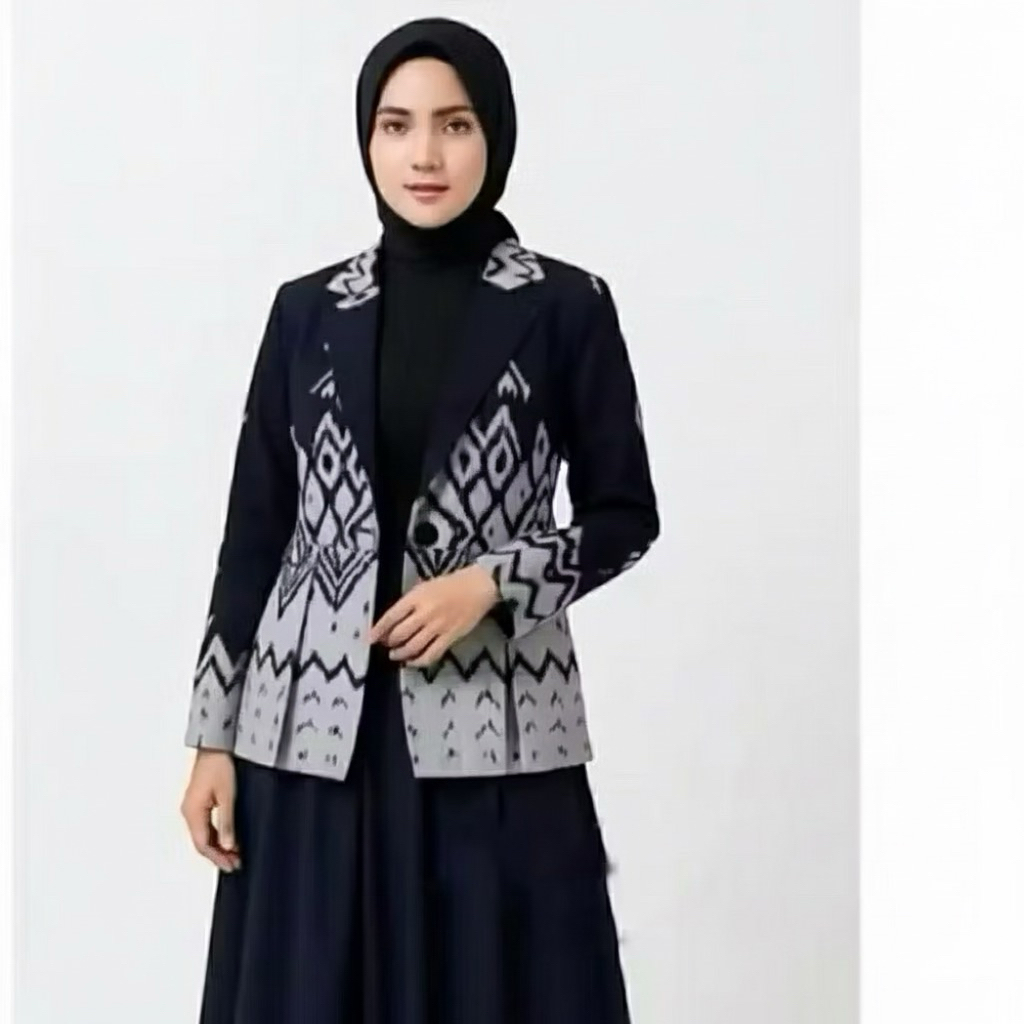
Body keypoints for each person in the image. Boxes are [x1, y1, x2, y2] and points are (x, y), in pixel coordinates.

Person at [179, 15, 660, 1024]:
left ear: (496, 135)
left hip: (497, 738)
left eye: (454, 124)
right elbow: (255, 531)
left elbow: (624, 514)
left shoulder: (566, 306)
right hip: (309, 740)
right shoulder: (306, 313)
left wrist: (490, 585)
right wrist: (211, 738)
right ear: (367, 138)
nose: (425, 154)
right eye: (396, 126)